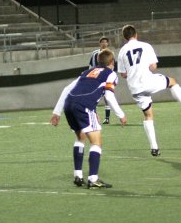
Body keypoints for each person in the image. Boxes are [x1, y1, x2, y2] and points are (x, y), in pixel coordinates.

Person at [117, 24, 181, 156]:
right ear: (136, 34)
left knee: (148, 115)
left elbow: (123, 74)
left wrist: (133, 71)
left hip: (135, 87)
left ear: (124, 37)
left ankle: (154, 148)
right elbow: (153, 66)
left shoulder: (122, 51)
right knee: (172, 82)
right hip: (148, 80)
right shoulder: (145, 46)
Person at [50, 48, 127, 189]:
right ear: (112, 63)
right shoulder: (111, 74)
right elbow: (108, 96)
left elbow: (67, 89)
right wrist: (121, 114)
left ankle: (78, 176)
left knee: (81, 137)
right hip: (83, 107)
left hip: (69, 105)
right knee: (96, 142)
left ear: (98, 61)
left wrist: (57, 112)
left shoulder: (86, 72)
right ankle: (93, 179)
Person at [89, 36, 112, 124]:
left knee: (107, 98)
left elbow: (112, 66)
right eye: (102, 42)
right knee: (94, 98)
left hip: (106, 79)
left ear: (107, 43)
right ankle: (94, 117)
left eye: (105, 42)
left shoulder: (110, 54)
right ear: (100, 43)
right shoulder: (95, 53)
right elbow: (91, 66)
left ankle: (107, 118)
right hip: (96, 79)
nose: (104, 43)